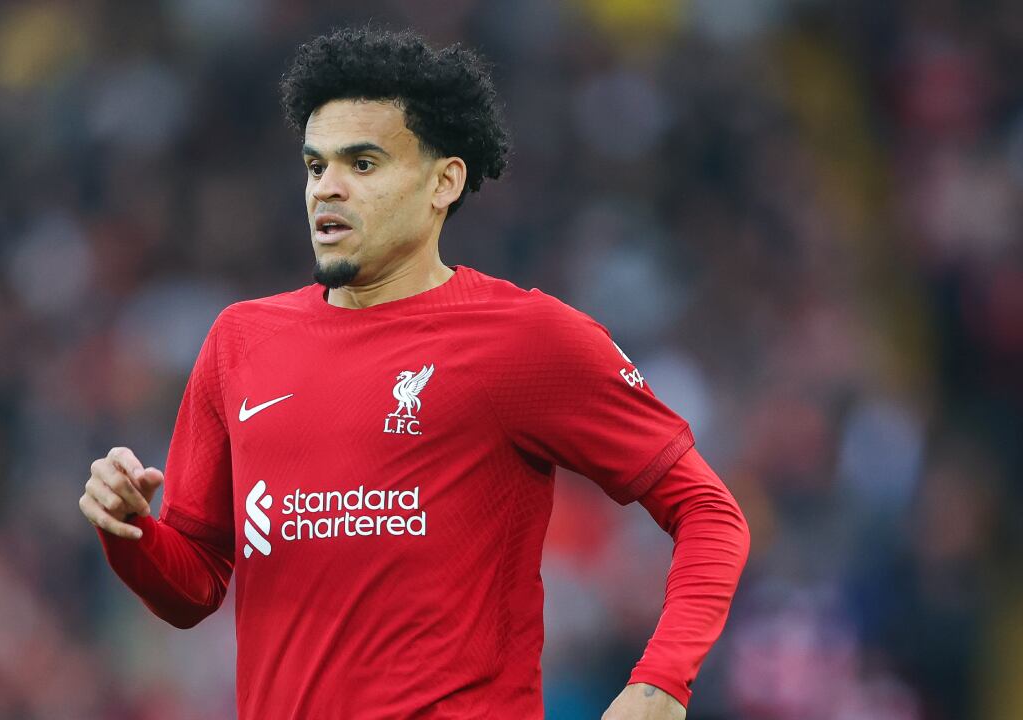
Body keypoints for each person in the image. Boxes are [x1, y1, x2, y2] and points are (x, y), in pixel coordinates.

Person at [79, 26, 749, 720]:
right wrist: (128, 530)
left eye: (362, 164)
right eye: (315, 167)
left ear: (443, 182)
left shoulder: (526, 338)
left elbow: (709, 513)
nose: (327, 190)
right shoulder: (239, 341)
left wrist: (661, 682)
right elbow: (195, 586)